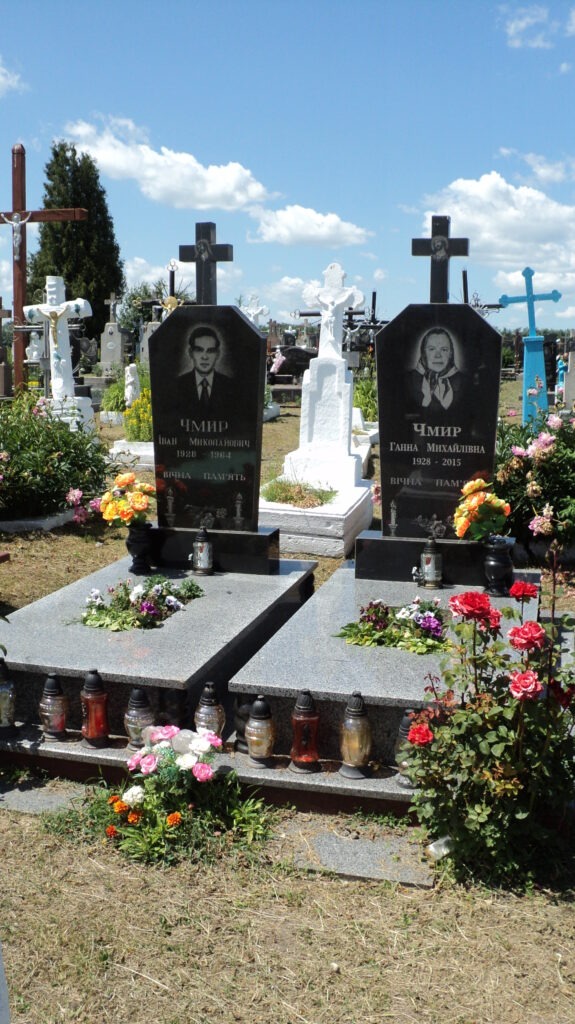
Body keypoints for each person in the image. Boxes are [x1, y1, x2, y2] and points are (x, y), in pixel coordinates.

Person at [176, 325, 236, 422]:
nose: (205, 357)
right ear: (191, 353)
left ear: (217, 354)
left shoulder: (231, 386)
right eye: (199, 350)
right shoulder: (177, 386)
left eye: (210, 351)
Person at [406, 327, 467, 414]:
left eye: (444, 349)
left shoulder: (465, 382)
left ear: (450, 353)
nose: (438, 355)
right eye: (431, 349)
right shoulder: (407, 380)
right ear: (423, 352)